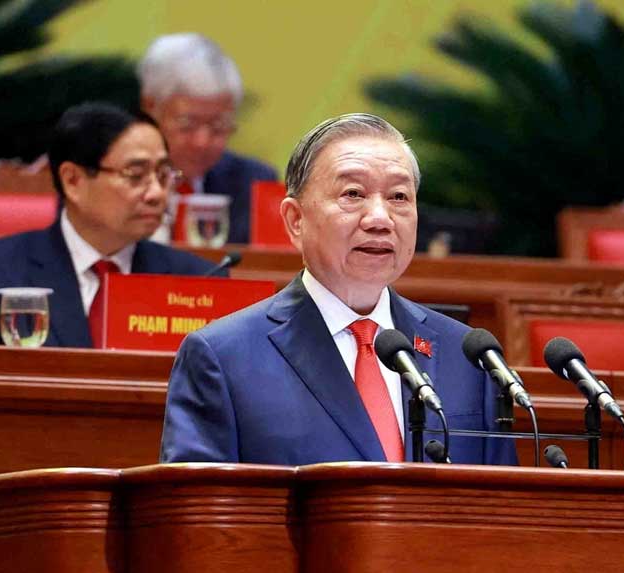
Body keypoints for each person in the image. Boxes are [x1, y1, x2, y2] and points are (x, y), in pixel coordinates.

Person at [160, 113, 518, 466]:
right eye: (353, 193)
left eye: (398, 197)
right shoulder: (223, 356)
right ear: (295, 220)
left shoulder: (469, 356)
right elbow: (197, 516)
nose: (379, 219)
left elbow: (501, 513)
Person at [0, 102, 224, 348]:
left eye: (163, 174)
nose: (156, 194)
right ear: (73, 181)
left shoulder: (199, 281)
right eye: (136, 175)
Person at [138, 33, 277, 244]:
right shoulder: (116, 182)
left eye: (218, 126)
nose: (202, 141)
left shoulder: (252, 183)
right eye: (188, 124)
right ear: (150, 108)